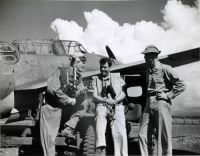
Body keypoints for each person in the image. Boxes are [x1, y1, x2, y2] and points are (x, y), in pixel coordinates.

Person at [138, 45, 186, 156]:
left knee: (163, 135)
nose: (144, 58)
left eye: (146, 55)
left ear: (153, 56)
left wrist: (168, 95)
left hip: (161, 102)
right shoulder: (148, 71)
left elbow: (181, 85)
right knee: (142, 134)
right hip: (148, 102)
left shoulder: (166, 68)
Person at [40, 52, 87, 156]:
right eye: (80, 62)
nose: (83, 65)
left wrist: (82, 94)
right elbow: (52, 89)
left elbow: (80, 92)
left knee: (84, 105)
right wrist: (69, 99)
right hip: (51, 109)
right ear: (74, 63)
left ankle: (68, 128)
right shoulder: (61, 72)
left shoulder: (78, 78)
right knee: (49, 141)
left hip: (63, 109)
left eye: (84, 62)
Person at [92, 57, 128, 156]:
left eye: (105, 67)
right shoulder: (95, 79)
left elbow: (123, 93)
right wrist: (105, 100)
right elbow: (94, 95)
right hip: (102, 105)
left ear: (110, 67)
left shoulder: (118, 78)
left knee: (120, 133)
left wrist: (115, 101)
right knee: (99, 122)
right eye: (101, 67)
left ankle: (121, 154)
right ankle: (101, 149)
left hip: (117, 105)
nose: (103, 69)